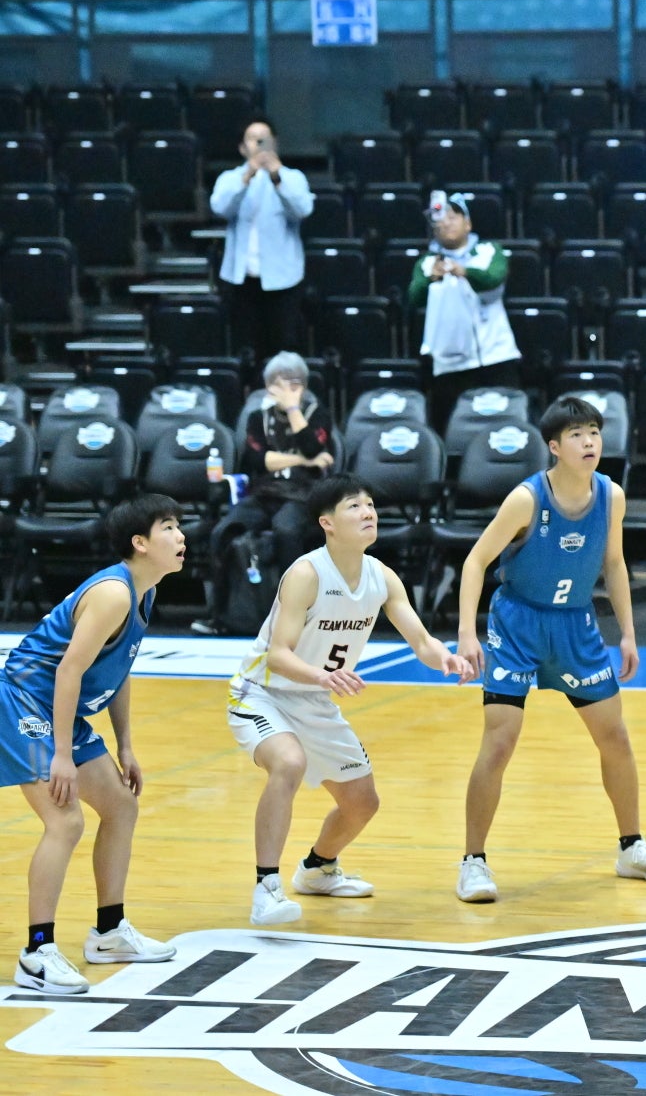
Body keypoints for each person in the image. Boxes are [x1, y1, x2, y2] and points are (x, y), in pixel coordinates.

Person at [455, 396, 646, 901]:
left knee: (614, 737)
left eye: (594, 433)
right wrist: (468, 634)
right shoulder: (526, 499)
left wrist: (629, 633)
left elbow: (615, 564)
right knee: (500, 741)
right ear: (554, 447)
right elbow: (475, 561)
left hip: (576, 624)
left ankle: (631, 846)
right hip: (518, 624)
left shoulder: (611, 496)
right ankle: (473, 861)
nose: (589, 442)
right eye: (577, 435)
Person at [227, 476, 473, 926]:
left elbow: (421, 641)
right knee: (289, 763)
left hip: (315, 700)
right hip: (262, 694)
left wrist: (445, 658)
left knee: (362, 802)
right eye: (354, 506)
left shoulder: (382, 576)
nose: (368, 512)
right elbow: (278, 655)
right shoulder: (306, 574)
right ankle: (266, 889)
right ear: (327, 523)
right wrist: (322, 675)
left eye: (370, 504)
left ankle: (318, 868)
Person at [3, 495, 185, 994]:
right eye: (169, 527)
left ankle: (108, 933)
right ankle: (36, 953)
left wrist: (125, 745)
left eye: (179, 527)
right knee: (65, 821)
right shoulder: (113, 594)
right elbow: (68, 670)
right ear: (140, 542)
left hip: (59, 707)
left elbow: (117, 669)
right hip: (24, 703)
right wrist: (62, 755)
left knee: (121, 806)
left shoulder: (145, 592)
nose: (181, 536)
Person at [198, 352, 336, 634]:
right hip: (264, 494)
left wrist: (294, 410)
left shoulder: (318, 415)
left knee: (286, 530)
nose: (283, 391)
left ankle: (295, 616)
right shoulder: (256, 418)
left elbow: (312, 446)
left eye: (292, 384)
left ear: (303, 386)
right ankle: (219, 615)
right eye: (276, 384)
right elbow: (259, 461)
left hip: (303, 495)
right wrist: (304, 460)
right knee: (223, 531)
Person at [412, 190, 522, 434]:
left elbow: (493, 277)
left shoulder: (488, 251)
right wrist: (431, 278)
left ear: (468, 223)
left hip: (495, 356)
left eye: (454, 217)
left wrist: (464, 271)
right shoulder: (427, 263)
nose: (447, 223)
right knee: (450, 431)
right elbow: (413, 298)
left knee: (506, 428)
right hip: (450, 363)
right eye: (441, 219)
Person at [211, 116, 313, 365]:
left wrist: (276, 177)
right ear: (242, 148)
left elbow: (303, 209)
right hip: (241, 280)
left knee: (284, 350)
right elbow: (220, 207)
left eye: (264, 140)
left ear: (274, 144)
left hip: (283, 281)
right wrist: (248, 175)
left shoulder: (293, 177)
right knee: (246, 351)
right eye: (253, 140)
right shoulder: (230, 178)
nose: (259, 145)